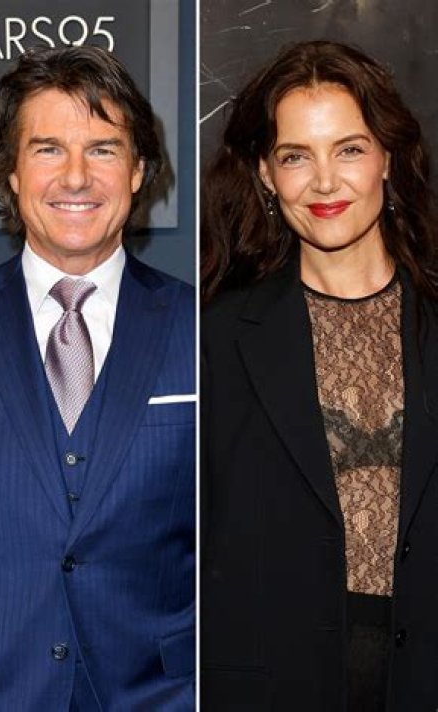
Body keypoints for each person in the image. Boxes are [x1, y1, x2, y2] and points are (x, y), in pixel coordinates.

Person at [201, 40, 438, 711]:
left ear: (387, 157)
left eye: (349, 149)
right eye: (296, 156)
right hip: (272, 684)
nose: (325, 182)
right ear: (266, 174)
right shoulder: (215, 338)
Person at [0, 46, 196, 710]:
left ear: (138, 170)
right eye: (47, 150)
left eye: (102, 150)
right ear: (11, 173)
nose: (75, 177)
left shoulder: (202, 326)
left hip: (159, 694)